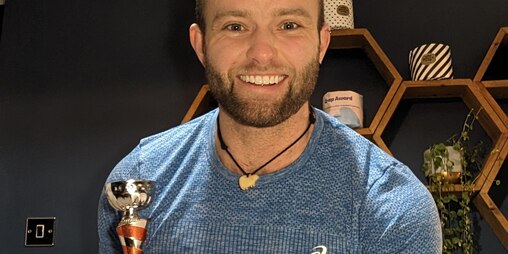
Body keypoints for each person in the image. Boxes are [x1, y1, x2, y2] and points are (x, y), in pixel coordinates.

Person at [98, 0, 442, 253]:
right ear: (201, 44)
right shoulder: (137, 181)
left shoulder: (395, 207)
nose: (262, 53)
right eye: (235, 26)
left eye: (289, 25)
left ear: (321, 43)